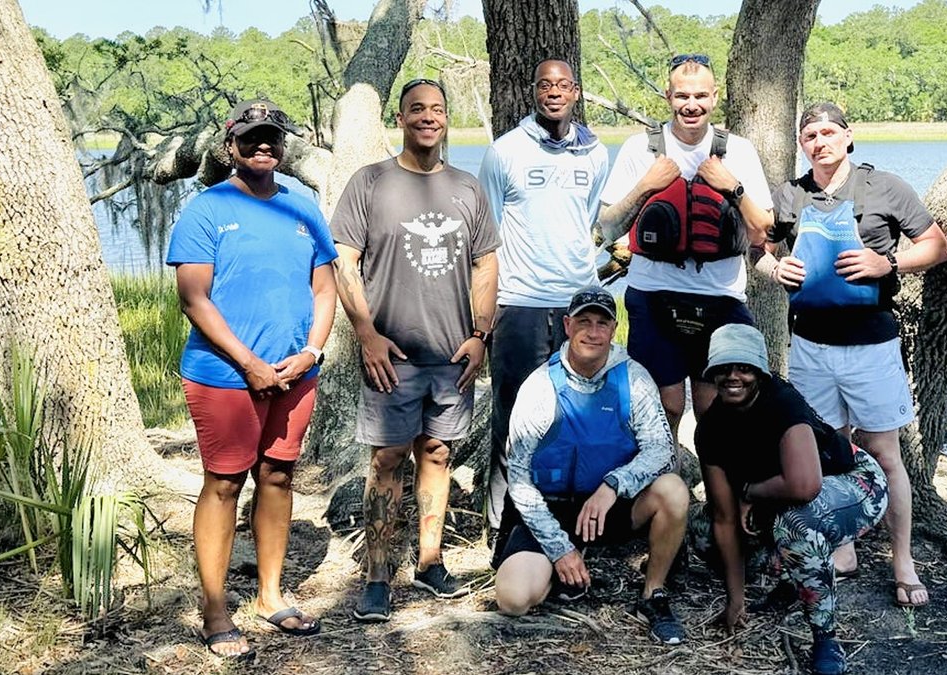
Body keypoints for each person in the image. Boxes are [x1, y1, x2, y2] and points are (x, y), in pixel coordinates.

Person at [756, 101, 947, 608]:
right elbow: (758, 248)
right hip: (811, 348)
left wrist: (887, 262)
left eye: (827, 132)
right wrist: (773, 271)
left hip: (872, 346)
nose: (818, 142)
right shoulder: (791, 194)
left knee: (885, 453)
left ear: (848, 136)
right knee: (830, 450)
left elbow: (937, 246)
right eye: (809, 135)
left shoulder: (884, 187)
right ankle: (843, 551)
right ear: (802, 145)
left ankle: (903, 562)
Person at [167, 99, 336, 660]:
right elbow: (194, 299)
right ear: (230, 145)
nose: (264, 146)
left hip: (294, 372)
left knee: (279, 475)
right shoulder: (206, 210)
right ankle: (215, 609)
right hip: (224, 375)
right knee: (224, 482)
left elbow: (324, 287)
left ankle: (269, 594)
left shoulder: (304, 204)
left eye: (273, 139)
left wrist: (311, 351)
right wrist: (250, 363)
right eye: (253, 138)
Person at [330, 78, 500, 622]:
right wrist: (366, 334)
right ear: (400, 119)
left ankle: (429, 561)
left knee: (438, 454)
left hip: (452, 358)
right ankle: (378, 574)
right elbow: (344, 262)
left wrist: (480, 334)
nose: (428, 117)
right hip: (392, 357)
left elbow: (486, 263)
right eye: (417, 109)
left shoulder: (468, 188)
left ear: (447, 119)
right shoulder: (371, 183)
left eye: (437, 109)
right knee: (386, 459)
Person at [494, 285, 690, 645]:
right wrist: (559, 548)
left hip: (608, 507)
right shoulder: (540, 385)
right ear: (567, 326)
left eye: (602, 323)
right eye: (584, 321)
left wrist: (614, 485)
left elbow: (662, 449)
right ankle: (565, 567)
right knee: (513, 599)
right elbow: (519, 478)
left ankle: (654, 594)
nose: (593, 332)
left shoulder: (633, 378)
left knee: (673, 491)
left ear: (614, 329)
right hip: (551, 509)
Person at [597, 53, 774, 440]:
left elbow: (763, 231)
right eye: (681, 96)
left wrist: (732, 186)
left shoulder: (738, 151)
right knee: (666, 405)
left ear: (714, 97)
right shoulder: (638, 149)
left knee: (716, 409)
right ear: (668, 96)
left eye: (699, 96)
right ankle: (664, 492)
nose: (690, 105)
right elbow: (608, 227)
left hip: (720, 296)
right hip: (653, 295)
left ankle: (718, 498)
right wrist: (647, 184)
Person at [696, 324, 889, 675]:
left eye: (743, 367)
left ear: (759, 371)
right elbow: (724, 517)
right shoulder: (710, 427)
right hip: (781, 494)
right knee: (700, 527)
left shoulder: (782, 402)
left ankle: (825, 637)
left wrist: (749, 492)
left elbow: (804, 486)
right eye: (723, 369)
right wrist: (735, 598)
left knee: (797, 524)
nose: (733, 376)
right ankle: (789, 578)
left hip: (855, 482)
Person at [477, 58, 610, 538]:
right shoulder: (504, 152)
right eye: (545, 85)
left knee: (571, 409)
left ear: (576, 92)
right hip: (520, 301)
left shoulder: (595, 154)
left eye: (563, 85)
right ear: (534, 92)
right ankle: (503, 523)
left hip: (576, 301)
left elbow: (588, 219)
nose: (554, 92)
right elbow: (487, 231)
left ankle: (562, 516)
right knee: (512, 413)